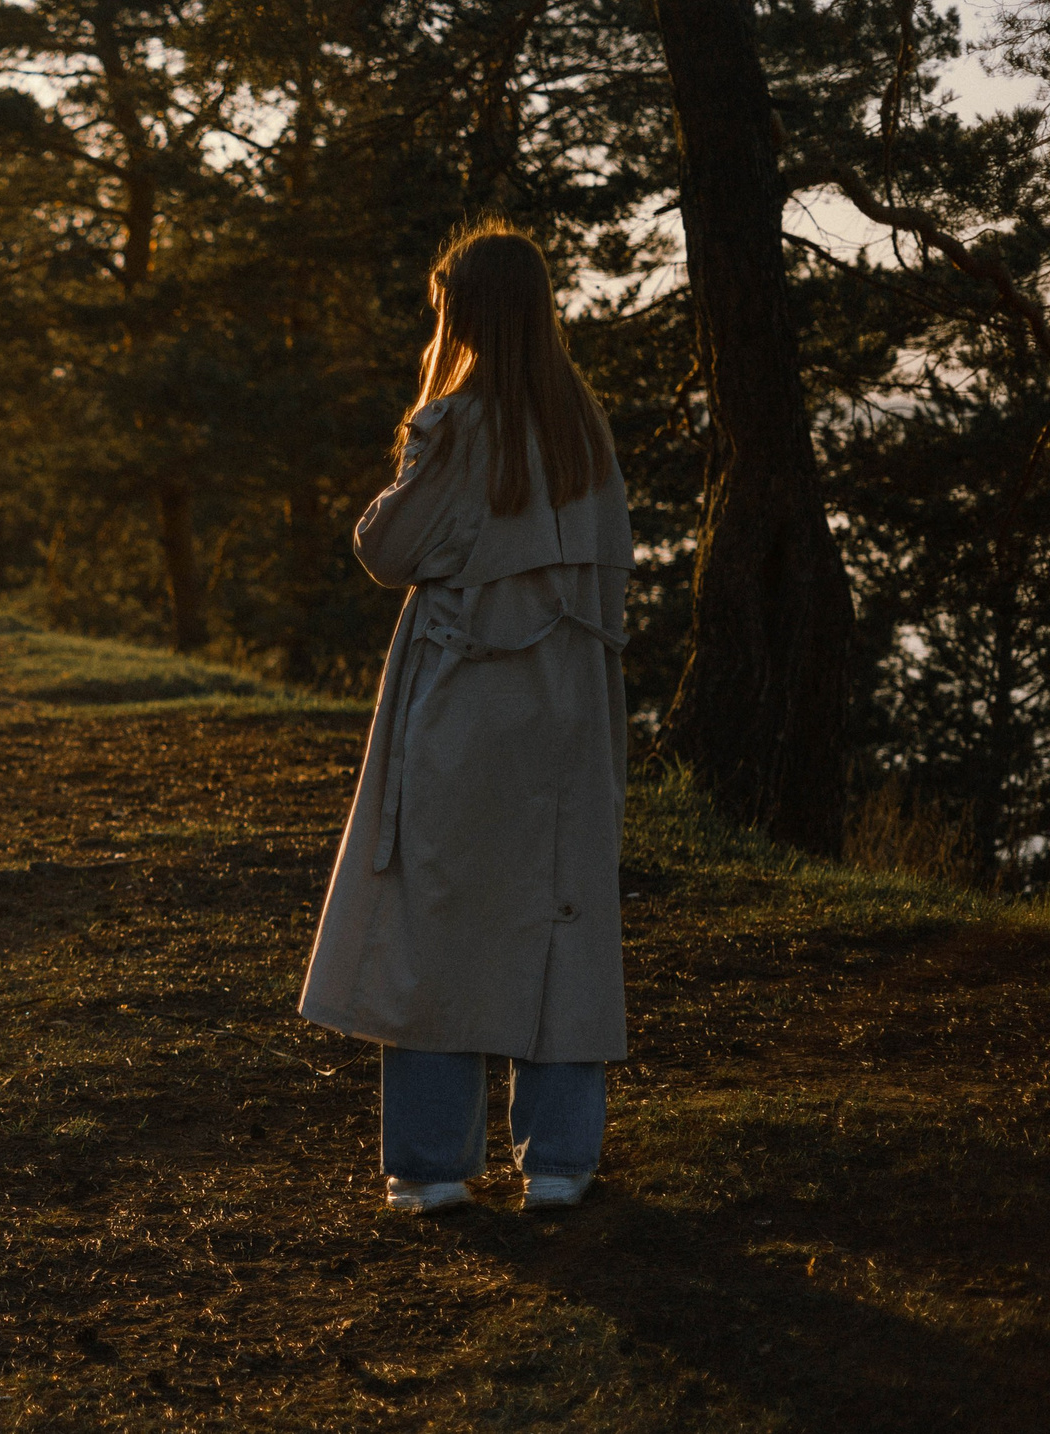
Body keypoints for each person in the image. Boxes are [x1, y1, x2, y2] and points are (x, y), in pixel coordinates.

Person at [297, 219, 635, 1214]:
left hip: (469, 698)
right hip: (569, 706)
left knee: (435, 919)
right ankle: (561, 1160)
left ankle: (434, 1167)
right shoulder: (584, 428)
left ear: (466, 310)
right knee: (560, 917)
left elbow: (385, 549)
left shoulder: (460, 423)